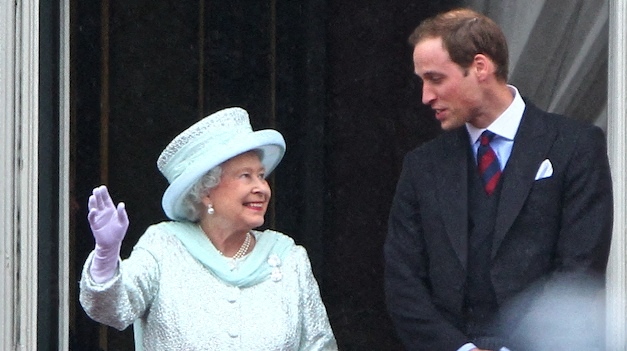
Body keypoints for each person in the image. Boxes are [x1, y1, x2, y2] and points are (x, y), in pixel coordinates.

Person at [384, 8, 612, 351]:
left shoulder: (575, 147)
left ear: (480, 67)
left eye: (436, 78)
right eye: (422, 82)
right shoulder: (422, 166)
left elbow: (580, 270)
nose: (426, 96)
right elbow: (403, 282)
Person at [79, 107, 338, 350]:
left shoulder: (289, 259)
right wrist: (106, 254)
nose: (261, 188)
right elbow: (113, 310)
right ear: (206, 191)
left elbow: (319, 345)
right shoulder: (163, 248)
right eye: (245, 176)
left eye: (261, 175)